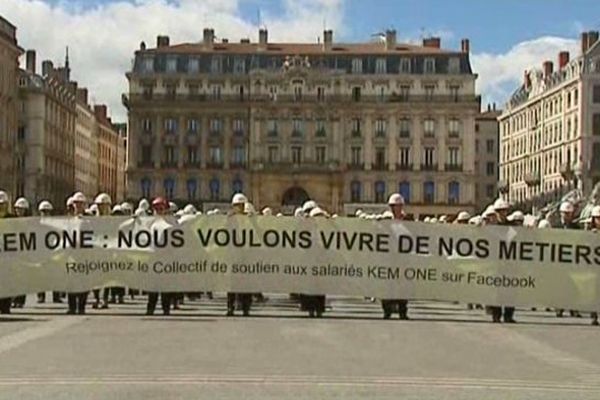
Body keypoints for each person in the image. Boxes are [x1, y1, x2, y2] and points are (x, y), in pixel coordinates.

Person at [381, 193, 409, 320]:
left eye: (397, 206)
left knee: (403, 285)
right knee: (387, 286)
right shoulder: (385, 222)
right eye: (393, 206)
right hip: (389, 258)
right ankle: (387, 310)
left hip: (403, 258)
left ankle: (403, 311)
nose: (395, 208)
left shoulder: (408, 222)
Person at [488, 197, 516, 323]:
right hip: (496, 263)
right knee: (496, 290)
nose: (502, 213)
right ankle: (496, 314)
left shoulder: (513, 226)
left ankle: (509, 315)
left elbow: (520, 237)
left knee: (511, 290)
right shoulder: (491, 227)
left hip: (510, 263)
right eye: (500, 211)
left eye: (504, 210)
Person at [299, 207, 329, 318]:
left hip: (320, 259)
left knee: (320, 287)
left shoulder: (325, 230)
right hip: (310, 259)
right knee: (310, 286)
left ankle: (319, 309)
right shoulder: (308, 230)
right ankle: (310, 308)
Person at [226, 193, 253, 316]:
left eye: (241, 205)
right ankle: (230, 307)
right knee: (232, 284)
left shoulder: (250, 218)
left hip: (247, 255)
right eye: (237, 205)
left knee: (246, 283)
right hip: (233, 254)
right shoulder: (230, 219)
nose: (239, 208)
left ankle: (245, 307)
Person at [146, 197, 173, 316]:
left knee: (166, 285)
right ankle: (150, 308)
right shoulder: (149, 224)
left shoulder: (170, 224)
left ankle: (166, 308)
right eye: (157, 209)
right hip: (153, 257)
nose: (159, 211)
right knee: (153, 286)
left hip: (166, 257)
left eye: (161, 208)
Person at [555, 201, 582, 318]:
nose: (566, 216)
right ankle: (559, 308)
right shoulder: (555, 227)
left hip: (571, 262)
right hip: (558, 262)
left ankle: (573, 308)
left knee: (573, 287)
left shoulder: (576, 228)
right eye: (564, 213)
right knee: (560, 285)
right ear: (560, 214)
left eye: (568, 213)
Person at [67, 192, 91, 315]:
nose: (78, 206)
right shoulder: (69, 220)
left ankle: (81, 307)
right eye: (76, 203)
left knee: (83, 282)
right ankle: (71, 307)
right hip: (72, 254)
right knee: (71, 281)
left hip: (84, 255)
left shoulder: (89, 220)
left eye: (80, 203)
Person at [37, 200, 63, 304]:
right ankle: (41, 296)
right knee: (41, 276)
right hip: (41, 253)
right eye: (43, 211)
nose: (45, 213)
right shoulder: (36, 225)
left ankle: (56, 296)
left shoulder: (55, 225)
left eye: (47, 211)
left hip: (53, 253)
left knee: (55, 275)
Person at [12, 197, 31, 308]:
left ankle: (20, 300)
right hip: (14, 253)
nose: (20, 211)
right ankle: (14, 299)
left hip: (24, 253)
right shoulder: (12, 221)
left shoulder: (29, 222)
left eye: (22, 209)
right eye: (18, 209)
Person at [0, 191, 14, 314]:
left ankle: (5, 306)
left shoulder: (12, 219)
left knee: (7, 282)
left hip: (8, 256)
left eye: (2, 204)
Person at [589, 206, 600, 326]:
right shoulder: (589, 233)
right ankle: (594, 316)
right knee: (595, 292)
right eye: (597, 218)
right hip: (594, 269)